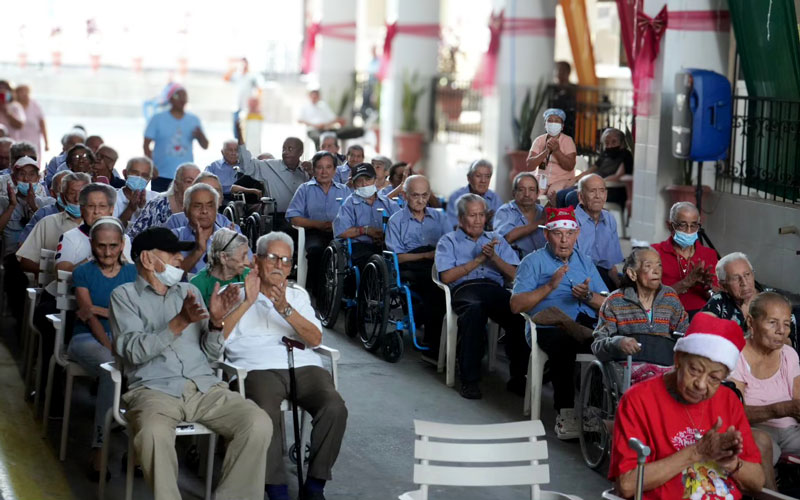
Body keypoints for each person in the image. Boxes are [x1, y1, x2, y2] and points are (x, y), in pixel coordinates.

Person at [109, 227, 271, 500]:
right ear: (148, 259)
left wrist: (217, 324)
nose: (178, 258)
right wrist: (178, 323)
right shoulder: (124, 297)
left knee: (257, 422)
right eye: (171, 253)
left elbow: (209, 355)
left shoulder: (188, 290)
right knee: (152, 434)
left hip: (204, 387)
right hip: (153, 390)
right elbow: (133, 352)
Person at [224, 232, 348, 500]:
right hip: (255, 367)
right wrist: (248, 300)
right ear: (256, 261)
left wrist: (285, 309)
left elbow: (315, 339)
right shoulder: (232, 292)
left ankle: (315, 485)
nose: (279, 265)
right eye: (272, 258)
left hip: (302, 363)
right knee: (265, 413)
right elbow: (218, 339)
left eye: (285, 260)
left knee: (334, 407)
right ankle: (276, 488)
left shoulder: (297, 296)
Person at [609, 314, 764, 499]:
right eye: (695, 370)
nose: (701, 384)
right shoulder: (638, 400)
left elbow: (757, 482)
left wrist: (732, 463)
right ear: (678, 358)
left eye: (714, 378)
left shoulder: (728, 400)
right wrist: (697, 452)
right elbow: (626, 485)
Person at [509, 206, 608, 439]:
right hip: (547, 327)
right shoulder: (533, 262)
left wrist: (587, 296)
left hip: (583, 326)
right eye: (557, 233)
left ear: (577, 235)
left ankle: (593, 413)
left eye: (569, 234)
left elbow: (608, 303)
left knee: (604, 346)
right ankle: (566, 412)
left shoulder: (585, 261)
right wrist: (549, 286)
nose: (564, 240)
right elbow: (515, 305)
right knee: (564, 345)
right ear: (546, 235)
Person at [435, 193, 528, 400]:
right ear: (460, 219)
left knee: (519, 314)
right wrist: (478, 261)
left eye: (481, 215)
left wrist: (494, 258)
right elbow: (447, 276)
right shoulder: (448, 241)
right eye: (472, 215)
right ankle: (469, 380)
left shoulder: (497, 240)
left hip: (493, 288)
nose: (478, 220)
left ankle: (518, 378)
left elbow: (515, 275)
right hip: (464, 289)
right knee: (474, 311)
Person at [67, 217, 137, 480]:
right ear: (91, 245)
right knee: (112, 369)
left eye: (113, 246)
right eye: (101, 246)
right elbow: (88, 316)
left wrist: (99, 309)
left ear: (122, 246)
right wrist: (113, 346)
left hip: (126, 338)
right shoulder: (83, 272)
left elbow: (136, 315)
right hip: (88, 339)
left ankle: (138, 445)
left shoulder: (134, 273)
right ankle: (99, 447)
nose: (107, 252)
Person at [728, 292, 797, 490]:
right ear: (751, 322)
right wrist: (780, 409)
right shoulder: (736, 355)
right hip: (755, 429)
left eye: (786, 324)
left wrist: (793, 409)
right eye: (773, 322)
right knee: (762, 445)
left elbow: (798, 401)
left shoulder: (789, 354)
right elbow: (735, 412)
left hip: (792, 431)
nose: (781, 331)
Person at [592, 247, 689, 382]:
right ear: (632, 274)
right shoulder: (615, 301)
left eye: (659, 265)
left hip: (666, 368)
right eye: (648, 266)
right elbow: (598, 345)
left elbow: (685, 334)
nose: (656, 271)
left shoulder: (670, 298)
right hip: (628, 370)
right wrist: (617, 342)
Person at [385, 175, 450, 355]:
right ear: (405, 196)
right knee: (436, 289)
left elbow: (451, 243)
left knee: (455, 285)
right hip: (411, 266)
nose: (420, 200)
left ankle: (453, 342)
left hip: (438, 262)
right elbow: (396, 258)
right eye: (415, 195)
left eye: (424, 195)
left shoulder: (440, 217)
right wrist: (426, 255)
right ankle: (433, 344)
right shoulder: (396, 221)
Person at [286, 151, 350, 297]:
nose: (324, 171)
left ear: (335, 170)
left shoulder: (345, 190)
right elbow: (293, 217)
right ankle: (319, 293)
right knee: (316, 250)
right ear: (314, 170)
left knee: (352, 252)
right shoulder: (305, 189)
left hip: (340, 233)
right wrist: (319, 225)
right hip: (314, 232)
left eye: (328, 167)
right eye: (320, 167)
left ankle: (344, 293)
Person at [236, 127, 308, 232]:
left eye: (290, 149)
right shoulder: (270, 166)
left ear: (300, 152)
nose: (285, 152)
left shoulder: (307, 170)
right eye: (283, 149)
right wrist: (241, 141)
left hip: (303, 217)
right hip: (278, 217)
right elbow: (248, 166)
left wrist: (312, 173)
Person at [652, 201, 718, 317]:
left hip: (703, 316)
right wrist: (686, 283)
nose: (688, 231)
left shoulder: (709, 254)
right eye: (682, 225)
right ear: (669, 225)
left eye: (693, 225)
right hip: (666, 315)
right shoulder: (655, 252)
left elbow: (717, 297)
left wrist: (708, 287)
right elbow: (651, 296)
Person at [55, 183, 132, 273]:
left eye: (102, 206)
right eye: (91, 206)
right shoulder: (70, 237)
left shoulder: (123, 238)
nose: (96, 211)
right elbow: (60, 274)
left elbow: (130, 274)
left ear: (111, 209)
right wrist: (95, 256)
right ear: (82, 209)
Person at [143, 84, 208, 192]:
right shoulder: (158, 118)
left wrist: (200, 136)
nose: (182, 99)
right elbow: (146, 144)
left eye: (184, 96)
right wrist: (151, 166)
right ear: (170, 99)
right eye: (178, 96)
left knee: (182, 207)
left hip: (185, 177)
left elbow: (205, 145)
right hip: (161, 175)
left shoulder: (193, 120)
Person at [333, 163, 399, 265]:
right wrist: (365, 230)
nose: (364, 184)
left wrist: (386, 236)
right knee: (372, 261)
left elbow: (400, 226)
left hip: (386, 245)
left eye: (368, 179)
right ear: (354, 184)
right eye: (359, 181)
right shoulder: (349, 204)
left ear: (375, 179)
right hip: (360, 247)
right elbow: (341, 231)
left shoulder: (388, 203)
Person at [557, 128, 633, 208]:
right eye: (607, 143)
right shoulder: (605, 154)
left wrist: (594, 184)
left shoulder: (625, 155)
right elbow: (590, 171)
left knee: (572, 197)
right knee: (561, 194)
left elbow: (618, 177)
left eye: (614, 142)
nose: (610, 146)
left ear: (621, 143)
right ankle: (562, 219)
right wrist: (574, 180)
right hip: (592, 186)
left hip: (610, 190)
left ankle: (578, 220)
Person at [574, 174, 624, 290]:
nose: (598, 196)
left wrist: (620, 287)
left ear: (606, 195)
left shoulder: (610, 219)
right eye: (592, 191)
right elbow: (569, 266)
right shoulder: (571, 221)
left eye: (601, 191)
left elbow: (610, 265)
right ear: (580, 196)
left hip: (603, 274)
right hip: (579, 278)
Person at [126, 162, 200, 239]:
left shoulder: (202, 209)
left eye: (198, 182)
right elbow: (133, 237)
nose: (194, 186)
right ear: (176, 185)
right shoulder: (157, 205)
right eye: (189, 181)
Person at [523, 108, 578, 206]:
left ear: (562, 126)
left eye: (557, 121)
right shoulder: (539, 140)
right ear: (545, 124)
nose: (553, 123)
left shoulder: (567, 141)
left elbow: (570, 166)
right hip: (541, 178)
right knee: (528, 191)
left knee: (553, 194)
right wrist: (546, 151)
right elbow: (529, 165)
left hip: (561, 180)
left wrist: (557, 151)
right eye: (550, 120)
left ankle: (548, 217)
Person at [170, 183, 228, 275]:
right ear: (185, 211)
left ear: (216, 209)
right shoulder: (173, 237)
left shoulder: (230, 237)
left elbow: (247, 268)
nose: (204, 211)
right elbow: (168, 278)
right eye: (197, 206)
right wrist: (198, 251)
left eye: (210, 205)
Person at [0, 156, 51, 256]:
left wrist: (33, 207)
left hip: (36, 260)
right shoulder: (3, 201)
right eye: (22, 174)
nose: (26, 179)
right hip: (11, 259)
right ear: (14, 178)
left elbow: (49, 231)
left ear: (38, 178)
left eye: (31, 174)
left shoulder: (47, 203)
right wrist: (12, 206)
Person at [190, 228, 251, 307]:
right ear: (224, 257)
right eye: (243, 256)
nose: (247, 262)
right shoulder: (198, 285)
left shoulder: (248, 276)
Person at [163, 172, 240, 232]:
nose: (209, 196)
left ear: (221, 199)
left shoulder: (231, 227)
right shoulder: (176, 221)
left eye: (215, 191)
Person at [494, 172, 546, 258]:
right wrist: (540, 222)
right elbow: (507, 238)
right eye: (521, 189)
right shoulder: (505, 211)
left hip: (542, 264)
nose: (527, 194)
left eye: (531, 189)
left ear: (537, 193)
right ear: (514, 193)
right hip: (514, 266)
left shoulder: (543, 212)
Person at [703, 253, 757, 331]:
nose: (744, 283)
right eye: (735, 278)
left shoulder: (769, 299)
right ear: (723, 285)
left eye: (747, 274)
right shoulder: (717, 303)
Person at [19, 169, 70, 244]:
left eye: (72, 190)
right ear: (52, 193)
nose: (69, 194)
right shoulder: (43, 213)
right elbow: (23, 244)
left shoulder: (86, 213)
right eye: (62, 188)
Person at [446, 159, 501, 229]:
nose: (483, 181)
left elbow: (499, 228)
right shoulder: (456, 197)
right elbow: (453, 227)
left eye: (487, 176)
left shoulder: (495, 198)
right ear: (469, 178)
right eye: (478, 176)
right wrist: (483, 221)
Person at [113, 156, 157, 228]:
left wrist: (144, 209)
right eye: (135, 173)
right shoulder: (112, 198)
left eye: (144, 175)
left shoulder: (156, 198)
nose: (139, 178)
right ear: (125, 173)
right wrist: (130, 209)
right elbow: (113, 229)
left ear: (149, 179)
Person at [13, 84, 48, 157]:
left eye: (26, 91)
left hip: (34, 142)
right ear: (16, 93)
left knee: (33, 162)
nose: (24, 94)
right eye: (21, 91)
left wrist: (46, 143)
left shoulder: (35, 105)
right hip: (17, 142)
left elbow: (42, 124)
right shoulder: (13, 106)